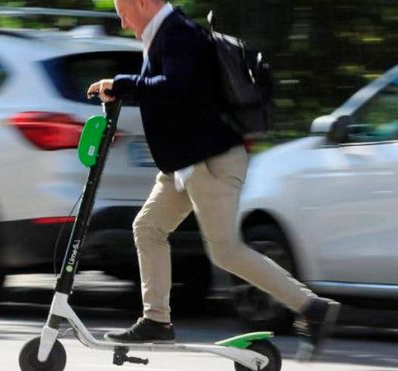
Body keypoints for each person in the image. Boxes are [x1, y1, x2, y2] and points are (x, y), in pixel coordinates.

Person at [86, 0, 340, 361]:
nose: (123, 22)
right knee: (147, 228)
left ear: (143, 2)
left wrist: (123, 84)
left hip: (211, 164)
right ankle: (156, 320)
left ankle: (312, 308)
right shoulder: (164, 35)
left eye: (123, 11)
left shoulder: (178, 34)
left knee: (225, 250)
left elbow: (172, 86)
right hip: (184, 165)